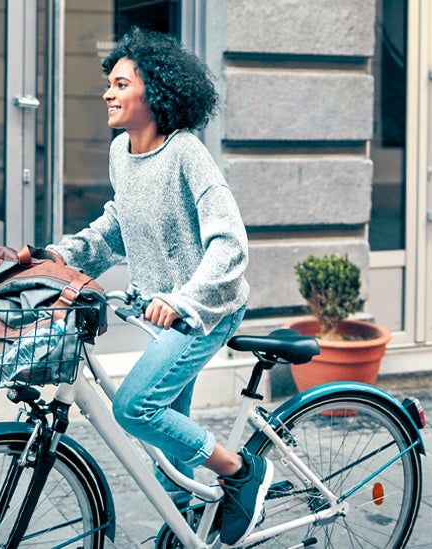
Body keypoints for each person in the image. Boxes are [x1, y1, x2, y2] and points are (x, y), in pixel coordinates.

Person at [48, 27, 273, 545]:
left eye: (121, 83)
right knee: (169, 429)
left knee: (135, 409)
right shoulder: (120, 153)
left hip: (205, 309)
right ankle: (180, 531)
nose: (108, 91)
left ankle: (241, 472)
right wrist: (60, 255)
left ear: (156, 92)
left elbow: (230, 244)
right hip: (161, 314)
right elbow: (116, 225)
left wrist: (182, 299)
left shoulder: (186, 153)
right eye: (109, 82)